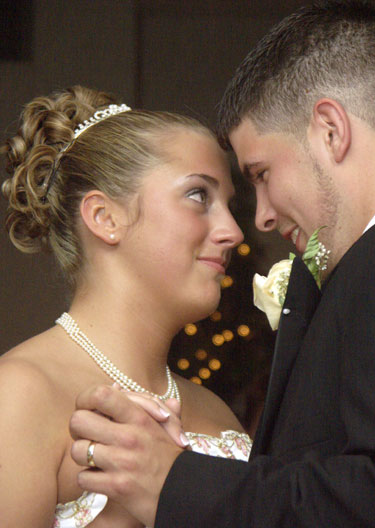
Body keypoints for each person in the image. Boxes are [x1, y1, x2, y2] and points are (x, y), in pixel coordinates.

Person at [69, 1, 375, 526]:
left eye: (261, 173)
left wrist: (177, 483)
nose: (256, 220)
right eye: (199, 196)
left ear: (331, 130)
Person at [0, 85, 251, 527]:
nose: (233, 231)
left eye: (229, 206)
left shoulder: (216, 412)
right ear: (104, 218)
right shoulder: (19, 394)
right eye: (198, 196)